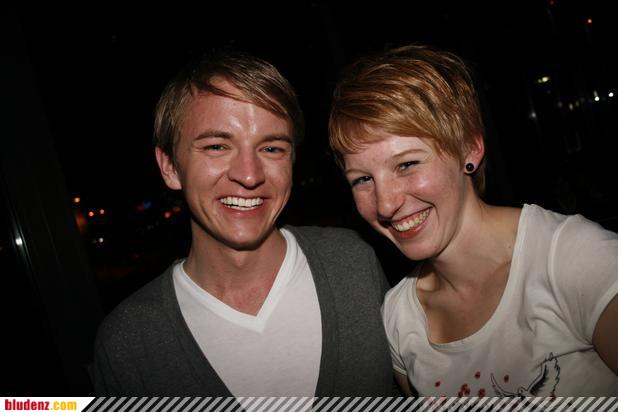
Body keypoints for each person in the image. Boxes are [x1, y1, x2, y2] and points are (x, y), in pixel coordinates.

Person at [92, 50, 394, 396]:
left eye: (271, 149)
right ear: (170, 166)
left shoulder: (352, 263)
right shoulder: (129, 343)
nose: (249, 175)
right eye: (217, 146)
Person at [329, 44, 618, 396]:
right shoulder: (399, 318)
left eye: (407, 164)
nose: (386, 204)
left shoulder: (572, 258)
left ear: (470, 148)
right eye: (362, 179)